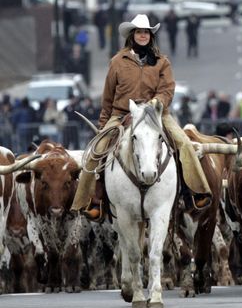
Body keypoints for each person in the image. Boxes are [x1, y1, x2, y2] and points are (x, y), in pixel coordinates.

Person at [71, 14, 212, 221]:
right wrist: (103, 127)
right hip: (121, 113)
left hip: (156, 113)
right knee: (97, 151)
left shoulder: (162, 62)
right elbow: (108, 97)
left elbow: (168, 89)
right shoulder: (117, 62)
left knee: (183, 143)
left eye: (146, 32)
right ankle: (93, 200)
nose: (143, 35)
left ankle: (193, 192)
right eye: (139, 32)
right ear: (132, 35)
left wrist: (157, 102)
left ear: (151, 36)